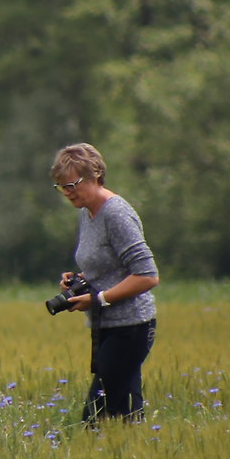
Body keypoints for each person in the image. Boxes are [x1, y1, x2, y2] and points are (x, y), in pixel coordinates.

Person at [51, 142, 159, 424]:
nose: (67, 192)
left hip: (131, 327)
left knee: (97, 415)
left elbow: (147, 275)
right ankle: (138, 457)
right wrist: (80, 280)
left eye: (72, 184)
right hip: (106, 326)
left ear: (96, 175)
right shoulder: (87, 212)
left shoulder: (116, 214)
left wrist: (98, 299)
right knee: (125, 414)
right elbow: (110, 265)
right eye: (61, 186)